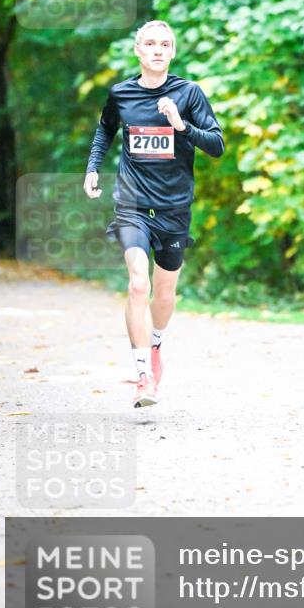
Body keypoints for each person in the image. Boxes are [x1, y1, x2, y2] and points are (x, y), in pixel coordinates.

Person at [83, 20, 224, 407]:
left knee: (164, 292)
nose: (157, 49)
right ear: (138, 50)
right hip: (131, 205)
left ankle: (156, 342)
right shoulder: (121, 94)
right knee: (138, 285)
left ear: (172, 52)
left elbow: (217, 145)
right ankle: (143, 375)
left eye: (165, 44)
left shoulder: (189, 93)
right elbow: (104, 132)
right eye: (150, 43)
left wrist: (181, 125)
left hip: (174, 208)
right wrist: (93, 167)